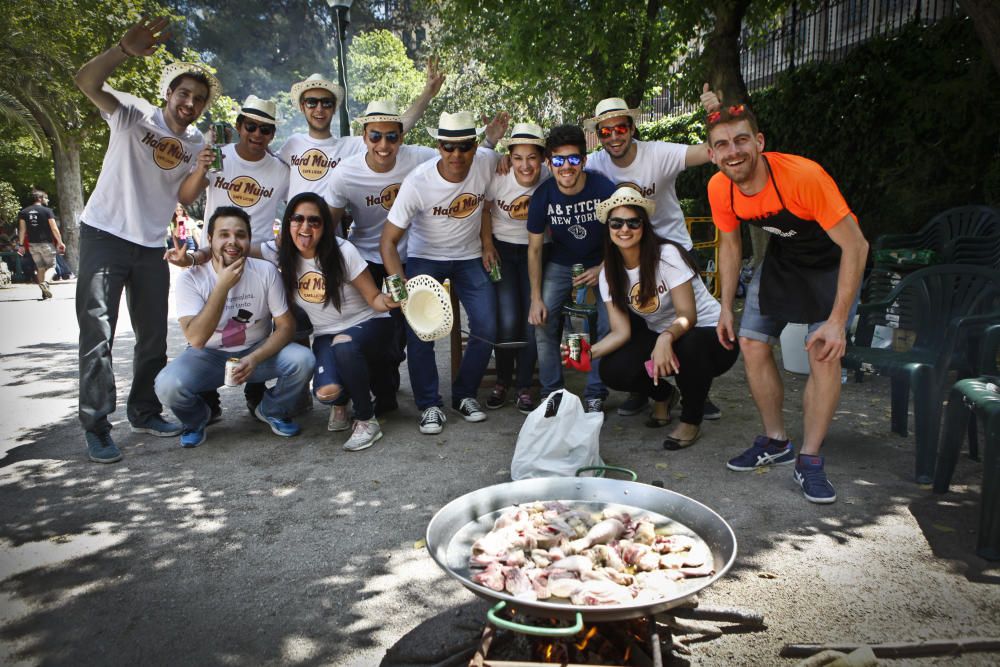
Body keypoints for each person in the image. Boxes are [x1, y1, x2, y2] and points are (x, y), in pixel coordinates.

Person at [74, 16, 221, 463]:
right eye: (183, 94)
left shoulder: (196, 143)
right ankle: (97, 425)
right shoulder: (133, 114)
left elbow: (184, 196)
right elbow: (84, 80)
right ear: (168, 94)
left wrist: (199, 169)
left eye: (197, 99)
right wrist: (122, 49)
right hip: (104, 234)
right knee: (98, 332)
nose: (189, 103)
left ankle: (143, 410)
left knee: (153, 335)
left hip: (151, 245)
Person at [705, 101, 869, 504]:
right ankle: (776, 441)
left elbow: (856, 245)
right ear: (712, 154)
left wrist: (838, 319)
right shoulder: (719, 187)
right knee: (751, 341)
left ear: (759, 142)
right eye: (722, 144)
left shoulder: (803, 177)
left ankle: (809, 458)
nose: (733, 151)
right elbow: (729, 242)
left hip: (834, 262)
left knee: (823, 352)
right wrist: (725, 305)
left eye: (742, 140)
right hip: (784, 260)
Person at [564, 187, 739, 449]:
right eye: (617, 223)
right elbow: (620, 332)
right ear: (609, 229)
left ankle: (691, 420)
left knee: (688, 344)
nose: (625, 229)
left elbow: (687, 316)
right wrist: (586, 353)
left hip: (712, 336)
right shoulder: (608, 274)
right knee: (613, 370)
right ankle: (665, 395)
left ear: (644, 226)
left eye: (633, 222)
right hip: (665, 335)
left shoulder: (666, 255)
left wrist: (665, 338)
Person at [584, 96, 722, 421]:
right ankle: (647, 389)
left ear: (632, 128)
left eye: (620, 128)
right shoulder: (595, 163)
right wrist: (499, 158)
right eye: (606, 132)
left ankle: (695, 390)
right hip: (625, 258)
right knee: (635, 325)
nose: (614, 136)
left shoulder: (658, 153)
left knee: (685, 326)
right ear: (599, 136)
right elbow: (561, 170)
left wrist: (716, 112)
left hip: (671, 251)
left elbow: (708, 151)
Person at [379, 110, 508, 434]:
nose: (456, 154)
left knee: (487, 326)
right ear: (438, 147)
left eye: (464, 146)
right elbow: (388, 242)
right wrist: (399, 287)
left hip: (469, 257)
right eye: (449, 147)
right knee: (421, 331)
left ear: (475, 146)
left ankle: (464, 394)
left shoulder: (486, 161)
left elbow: (489, 202)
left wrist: (487, 242)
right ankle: (429, 404)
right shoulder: (418, 182)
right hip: (426, 258)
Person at [154, 207, 314, 448]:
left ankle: (271, 410)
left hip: (255, 351)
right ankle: (198, 419)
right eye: (224, 234)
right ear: (210, 239)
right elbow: (196, 338)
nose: (233, 241)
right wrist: (222, 286)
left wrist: (255, 358)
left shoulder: (265, 271)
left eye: (240, 235)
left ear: (249, 240)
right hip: (208, 355)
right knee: (167, 385)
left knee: (303, 360)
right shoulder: (190, 278)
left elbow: (286, 327)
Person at [323, 100, 437, 407]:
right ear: (364, 137)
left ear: (402, 137)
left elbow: (459, 158)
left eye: (391, 137)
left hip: (411, 254)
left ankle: (391, 381)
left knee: (405, 324)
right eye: (375, 136)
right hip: (367, 258)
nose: (383, 145)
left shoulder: (420, 157)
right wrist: (334, 265)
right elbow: (329, 225)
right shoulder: (345, 174)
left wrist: (494, 150)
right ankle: (382, 388)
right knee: (376, 325)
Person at [274, 193, 401, 450]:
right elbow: (242, 249)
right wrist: (195, 258)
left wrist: (390, 301)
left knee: (344, 344)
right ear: (288, 223)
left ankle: (367, 421)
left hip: (370, 322)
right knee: (327, 392)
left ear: (326, 226)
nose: (305, 227)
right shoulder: (282, 252)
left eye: (315, 221)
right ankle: (342, 400)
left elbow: (374, 297)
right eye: (298, 219)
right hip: (325, 333)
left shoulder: (343, 251)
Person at [527, 124, 616, 413]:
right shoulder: (543, 196)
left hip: (602, 262)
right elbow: (535, 248)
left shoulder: (603, 188)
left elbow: (623, 235)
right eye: (559, 160)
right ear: (549, 163)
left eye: (574, 159)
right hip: (562, 264)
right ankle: (552, 391)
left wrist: (603, 268)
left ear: (584, 161)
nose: (567, 167)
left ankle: (595, 391)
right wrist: (536, 298)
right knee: (543, 320)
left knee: (606, 323)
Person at [279, 63, 444, 201]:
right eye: (311, 102)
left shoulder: (348, 147)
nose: (319, 109)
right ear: (302, 106)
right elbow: (262, 161)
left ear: (334, 107)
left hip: (329, 232)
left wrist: (427, 93)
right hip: (292, 230)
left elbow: (391, 127)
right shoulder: (292, 144)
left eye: (327, 103)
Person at [480, 122, 551, 414]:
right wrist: (487, 245)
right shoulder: (500, 173)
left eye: (531, 157)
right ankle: (502, 381)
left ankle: (524, 386)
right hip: (503, 250)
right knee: (508, 318)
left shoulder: (550, 175)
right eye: (518, 157)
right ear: (509, 156)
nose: (525, 165)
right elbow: (484, 209)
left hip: (539, 250)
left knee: (533, 319)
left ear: (542, 159)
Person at [180, 95, 289, 242]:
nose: (257, 134)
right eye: (250, 126)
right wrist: (200, 168)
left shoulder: (282, 171)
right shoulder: (217, 157)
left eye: (265, 129)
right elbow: (186, 198)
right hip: (212, 256)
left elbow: (298, 207)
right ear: (238, 126)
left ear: (272, 135)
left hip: (257, 259)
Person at [17, 189, 64, 300]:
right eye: (45, 197)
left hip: (33, 245)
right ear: (40, 198)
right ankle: (46, 283)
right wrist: (60, 242)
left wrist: (21, 245)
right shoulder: (47, 211)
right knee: (52, 267)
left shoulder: (24, 212)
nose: (47, 200)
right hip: (46, 243)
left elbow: (22, 230)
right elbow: (54, 228)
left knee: (40, 268)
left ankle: (44, 293)